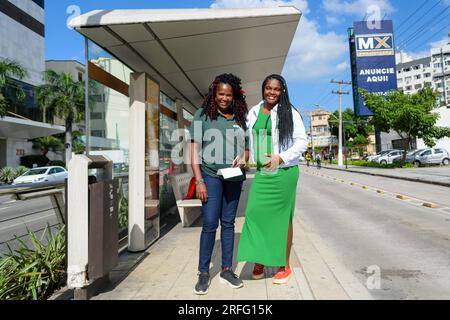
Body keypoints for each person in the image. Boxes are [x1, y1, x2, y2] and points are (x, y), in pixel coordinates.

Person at [237, 74, 308, 284]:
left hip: (284, 172)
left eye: (276, 89)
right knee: (254, 214)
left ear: (282, 91)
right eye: (268, 88)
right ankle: (260, 258)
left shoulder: (290, 112)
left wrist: (281, 157)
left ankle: (283, 265)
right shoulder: (254, 111)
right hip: (263, 172)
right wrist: (243, 158)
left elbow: (302, 142)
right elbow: (250, 142)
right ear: (263, 89)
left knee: (282, 219)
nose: (272, 92)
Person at [189, 73, 249, 295]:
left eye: (228, 95)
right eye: (220, 94)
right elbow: (193, 150)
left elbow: (247, 148)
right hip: (210, 175)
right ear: (214, 94)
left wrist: (243, 157)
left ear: (234, 96)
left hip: (233, 176)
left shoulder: (240, 117)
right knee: (210, 223)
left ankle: (226, 270)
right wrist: (199, 181)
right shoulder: (202, 116)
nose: (224, 98)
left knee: (229, 223)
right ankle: (203, 273)